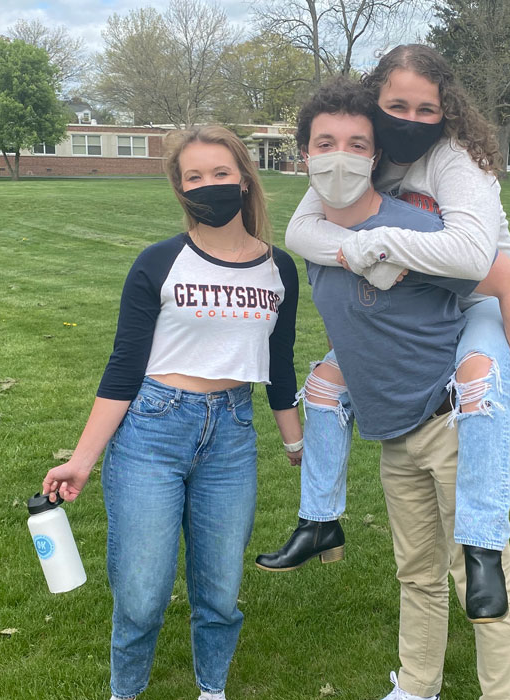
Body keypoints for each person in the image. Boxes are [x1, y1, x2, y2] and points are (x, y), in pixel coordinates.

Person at [256, 45, 510, 624]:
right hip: (424, 304)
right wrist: (357, 253)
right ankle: (320, 519)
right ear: (375, 103)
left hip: (489, 300)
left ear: (446, 110)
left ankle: (483, 545)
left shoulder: (457, 160)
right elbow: (300, 231)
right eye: (397, 105)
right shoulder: (366, 154)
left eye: (426, 108)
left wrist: (375, 244)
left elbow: (471, 259)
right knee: (324, 387)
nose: (410, 119)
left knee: (481, 387)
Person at [40, 125, 304, 700]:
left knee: (220, 592)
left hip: (232, 434)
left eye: (220, 174)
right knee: (141, 594)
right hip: (152, 432)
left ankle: (213, 690)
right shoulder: (159, 263)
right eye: (194, 177)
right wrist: (82, 460)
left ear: (244, 178)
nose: (209, 186)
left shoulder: (279, 269)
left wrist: (296, 444)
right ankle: (125, 693)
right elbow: (122, 368)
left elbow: (278, 365)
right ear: (181, 190)